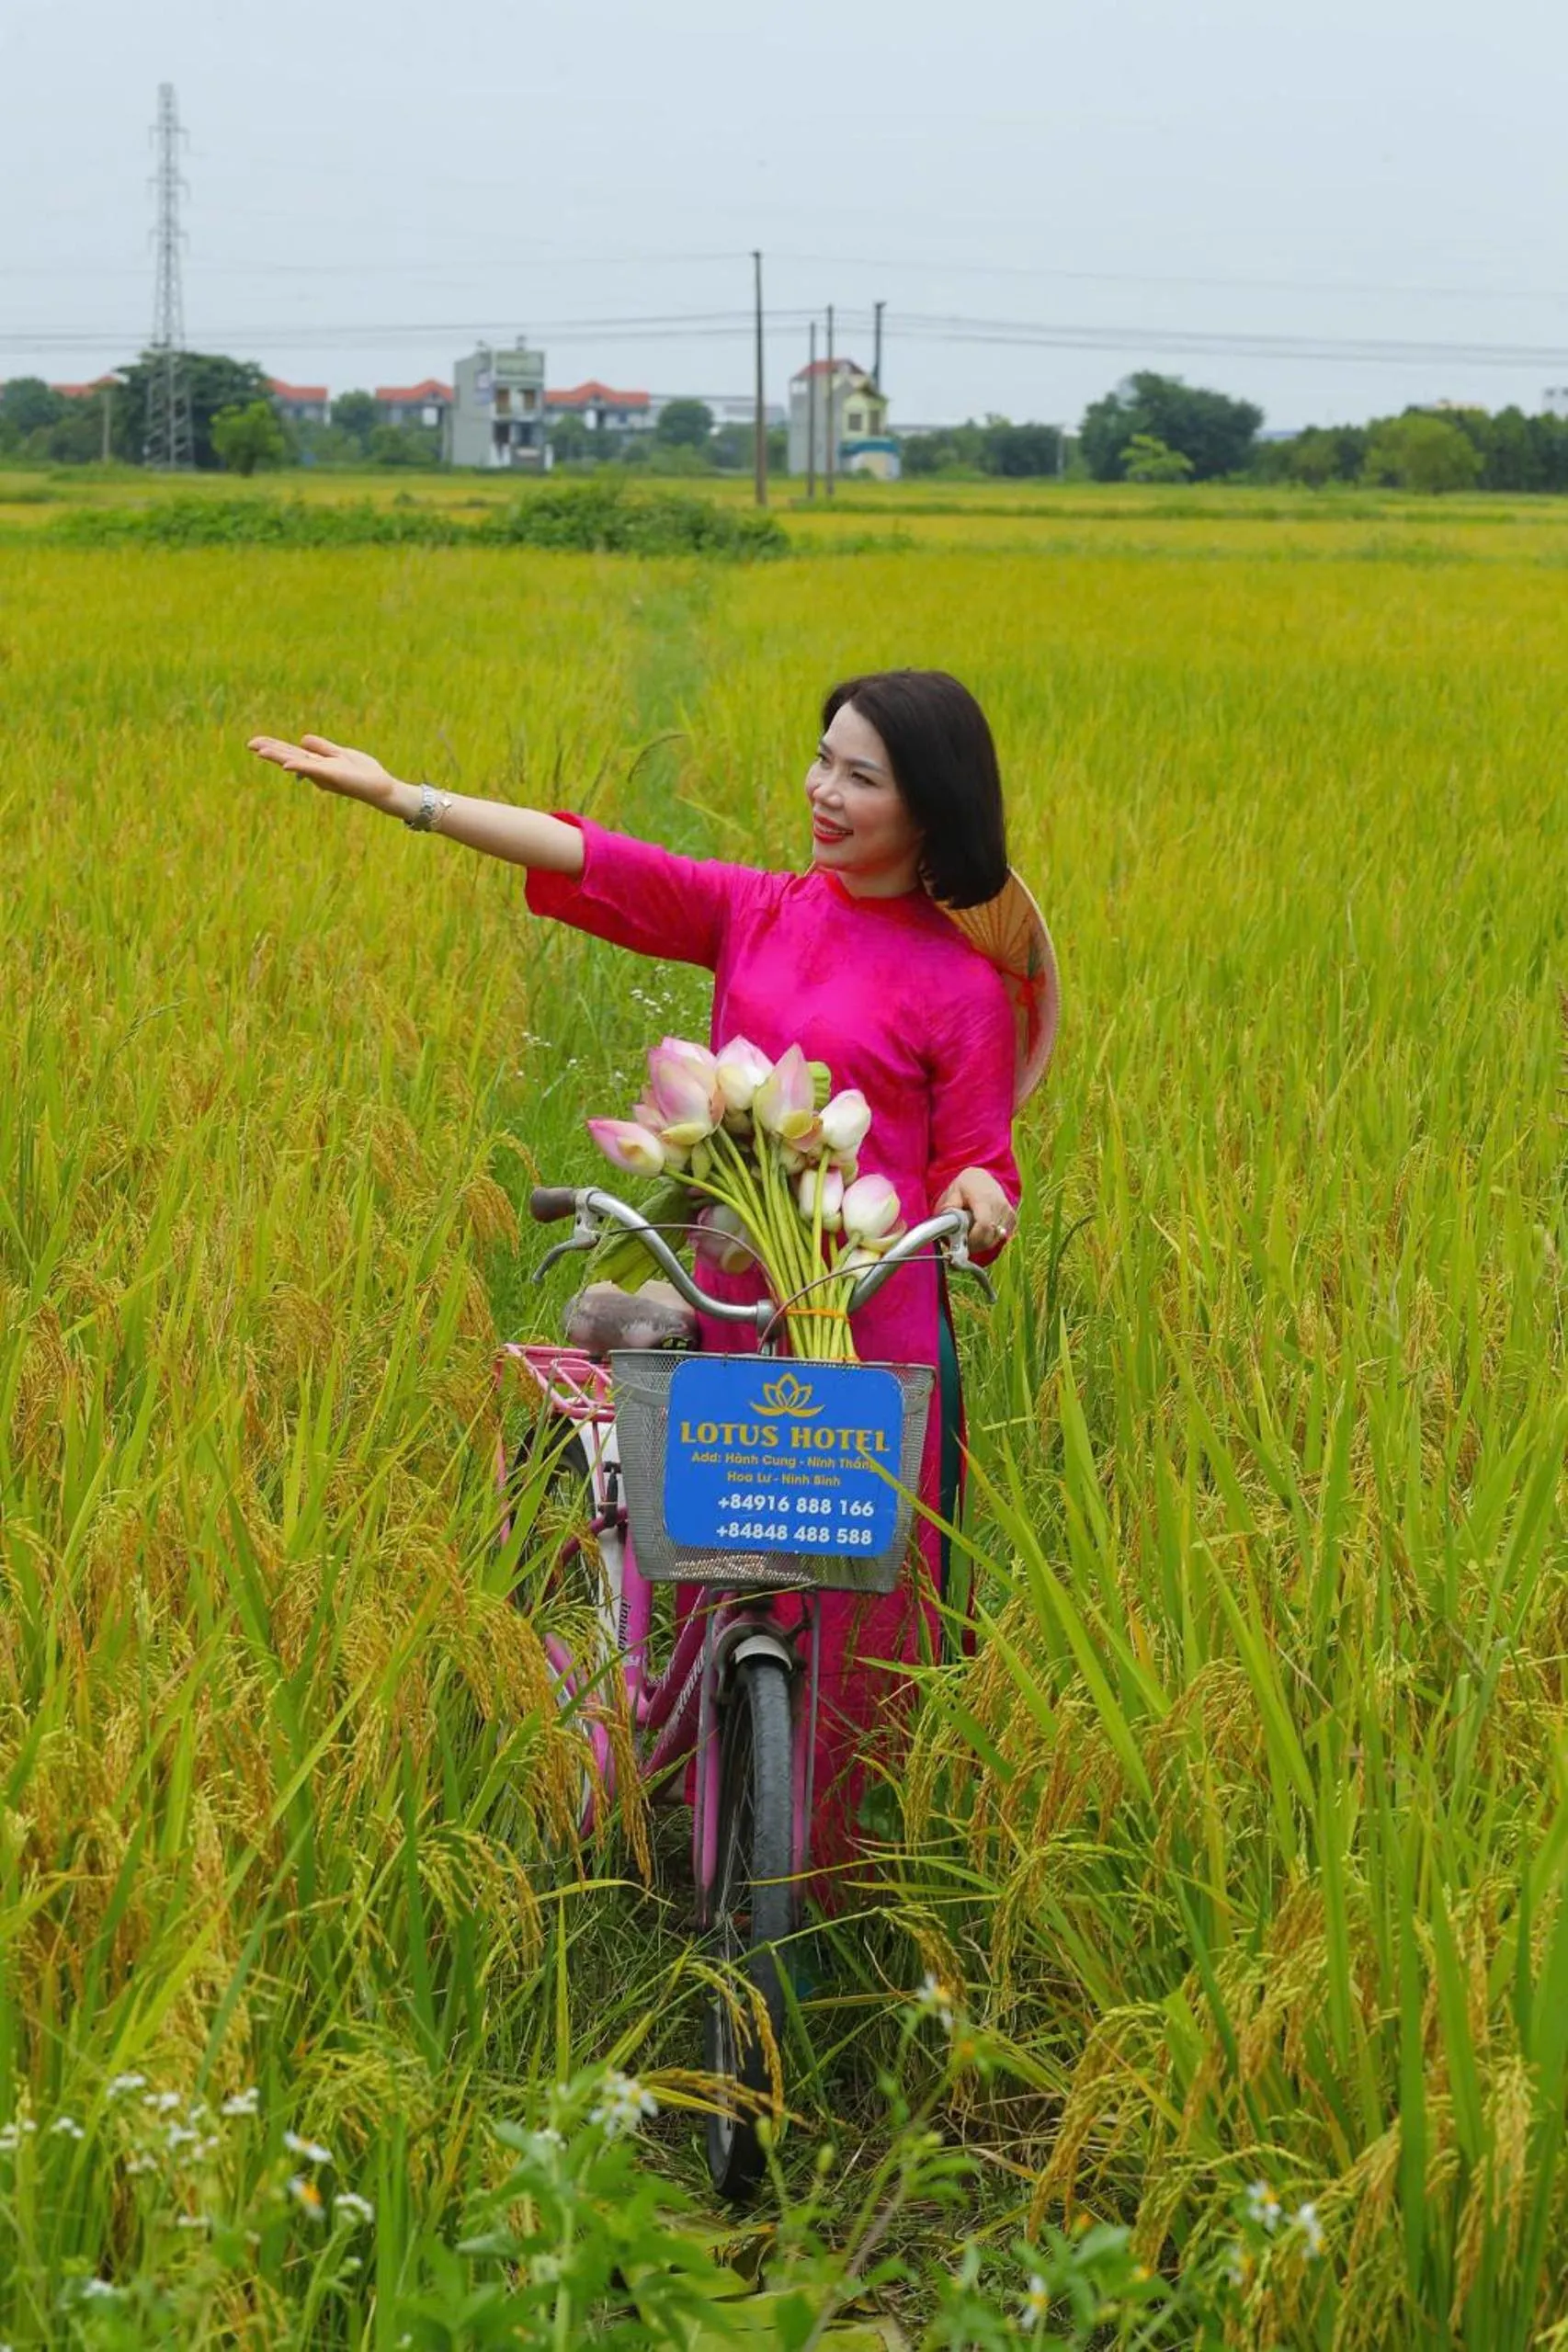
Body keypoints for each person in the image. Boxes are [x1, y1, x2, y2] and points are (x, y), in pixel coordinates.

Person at [248, 669, 1057, 1873]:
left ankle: (826, 1869)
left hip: (872, 1314)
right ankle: (704, 1755)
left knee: (862, 1613)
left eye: (858, 775)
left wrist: (978, 1198)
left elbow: (973, 1160)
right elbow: (593, 859)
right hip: (737, 1291)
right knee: (732, 1559)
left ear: (930, 807)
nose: (820, 791)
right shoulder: (759, 911)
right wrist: (403, 797)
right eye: (820, 758)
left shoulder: (962, 985)